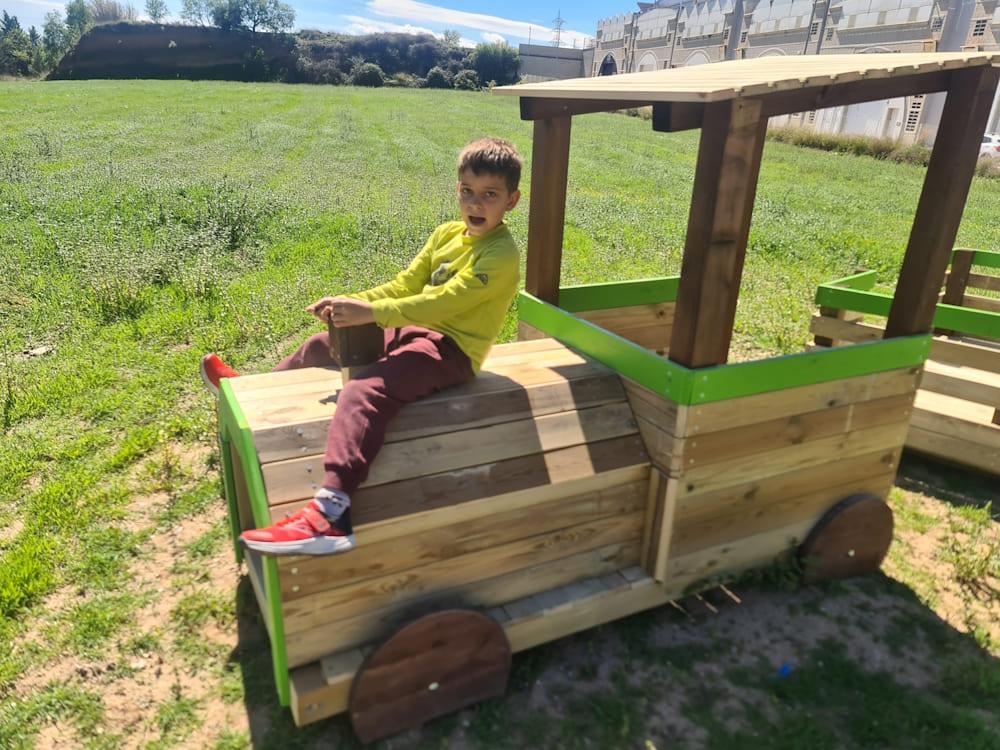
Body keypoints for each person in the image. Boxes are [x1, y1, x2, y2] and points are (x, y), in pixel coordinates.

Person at [200, 137, 522, 556]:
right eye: (467, 192)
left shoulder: (501, 254)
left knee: (364, 389)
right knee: (322, 345)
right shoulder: (446, 234)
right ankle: (248, 396)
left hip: (451, 350)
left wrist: (372, 314)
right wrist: (349, 305)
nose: (475, 205)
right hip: (413, 330)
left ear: (511, 201)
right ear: (456, 190)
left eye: (489, 196)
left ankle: (331, 514)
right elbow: (406, 285)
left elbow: (443, 301)